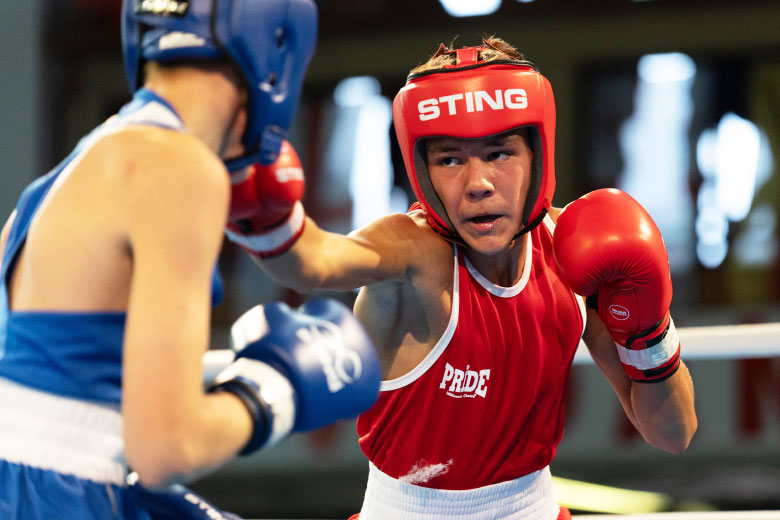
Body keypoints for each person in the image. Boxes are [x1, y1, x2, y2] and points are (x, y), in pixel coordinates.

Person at [225, 37, 698, 519]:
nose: (478, 184)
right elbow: (314, 262)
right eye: (450, 159)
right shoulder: (413, 251)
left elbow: (673, 433)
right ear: (423, 171)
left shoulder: (573, 250)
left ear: (536, 154)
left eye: (499, 154)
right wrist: (263, 212)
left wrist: (649, 330)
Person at [0, 1, 381, 519]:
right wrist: (277, 387)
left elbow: (66, 395)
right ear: (274, 44)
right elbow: (167, 451)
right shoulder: (179, 167)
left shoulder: (60, 179)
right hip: (62, 494)